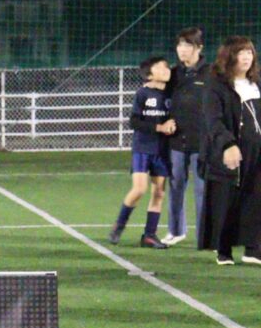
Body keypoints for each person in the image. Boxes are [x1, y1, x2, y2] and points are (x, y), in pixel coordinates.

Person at [198, 36, 261, 265]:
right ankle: (223, 249)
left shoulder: (256, 82)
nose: (246, 57)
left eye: (249, 52)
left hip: (256, 152)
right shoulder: (217, 85)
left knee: (256, 197)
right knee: (226, 199)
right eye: (241, 52)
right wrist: (228, 144)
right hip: (227, 152)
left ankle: (253, 248)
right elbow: (213, 120)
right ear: (229, 56)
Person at [109, 56, 175, 248]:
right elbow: (134, 121)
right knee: (139, 189)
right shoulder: (143, 93)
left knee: (159, 192)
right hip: (143, 147)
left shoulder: (172, 94)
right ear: (149, 74)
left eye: (167, 66)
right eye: (160, 67)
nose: (166, 70)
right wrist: (160, 127)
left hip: (162, 150)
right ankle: (119, 225)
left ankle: (149, 235)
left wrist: (172, 125)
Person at [162, 27, 208, 246]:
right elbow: (161, 101)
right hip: (176, 142)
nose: (182, 49)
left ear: (199, 47)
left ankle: (204, 235)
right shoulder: (173, 74)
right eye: (180, 45)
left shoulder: (211, 73)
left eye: (187, 45)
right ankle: (176, 230)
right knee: (175, 186)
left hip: (203, 142)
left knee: (202, 190)